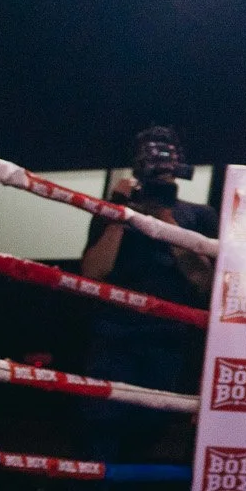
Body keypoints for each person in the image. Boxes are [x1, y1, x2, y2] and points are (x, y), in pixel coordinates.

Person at [78, 126, 218, 463]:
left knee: (153, 427)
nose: (162, 172)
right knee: (101, 423)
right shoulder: (116, 212)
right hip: (115, 334)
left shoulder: (198, 215)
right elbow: (93, 272)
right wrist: (119, 213)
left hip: (168, 336)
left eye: (168, 163)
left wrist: (164, 221)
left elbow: (206, 283)